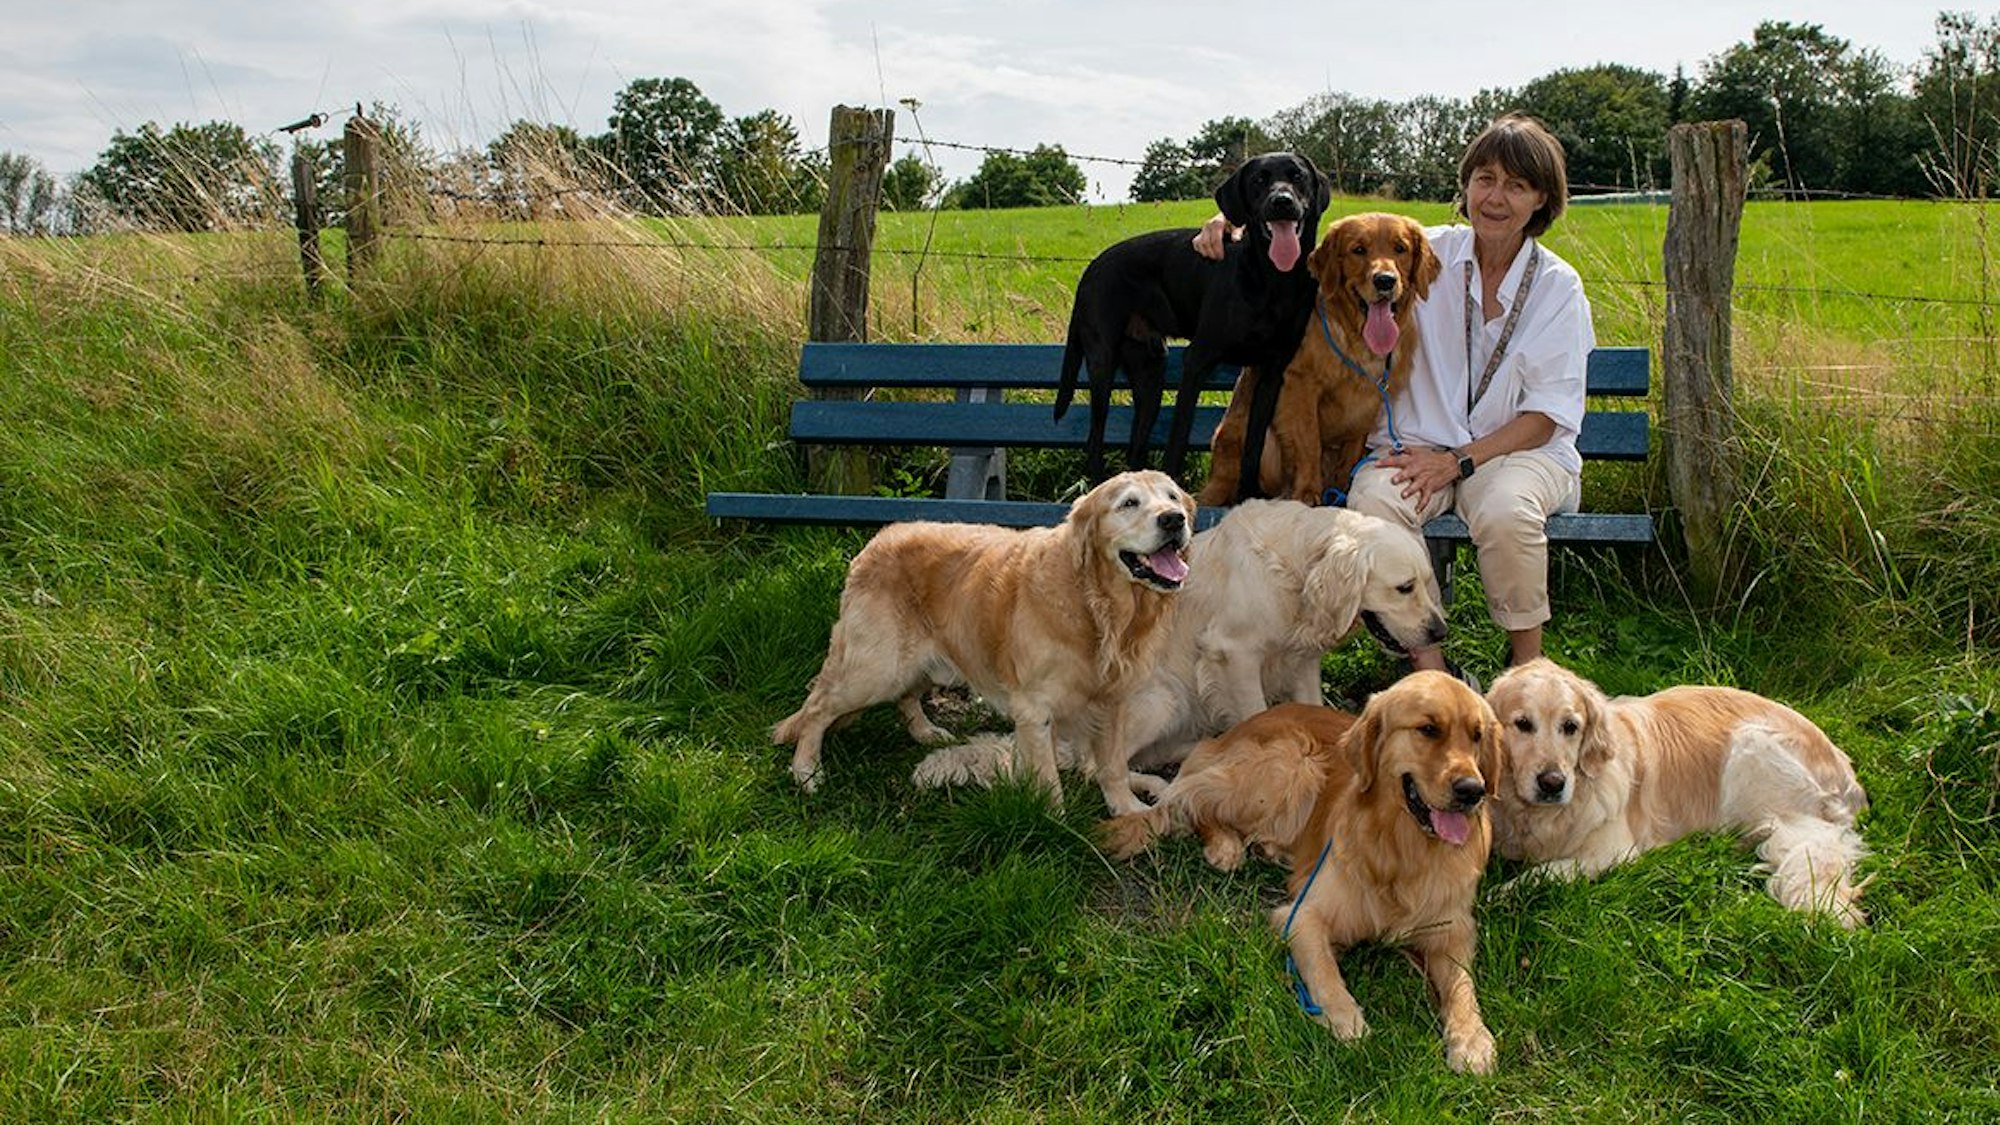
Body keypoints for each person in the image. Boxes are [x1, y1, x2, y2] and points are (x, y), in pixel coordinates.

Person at [1195, 113, 1593, 676]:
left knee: (1505, 512)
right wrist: (1231, 221)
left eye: (1516, 185)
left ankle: (1529, 673)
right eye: (1484, 179)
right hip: (1419, 451)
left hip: (1518, 455)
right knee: (1374, 504)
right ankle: (1429, 672)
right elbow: (1343, 242)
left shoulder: (1558, 287)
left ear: (1542, 200)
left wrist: (1456, 462)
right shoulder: (1422, 251)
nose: (1495, 198)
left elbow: (1547, 418)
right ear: (1466, 186)